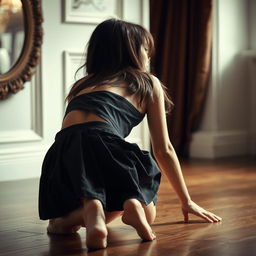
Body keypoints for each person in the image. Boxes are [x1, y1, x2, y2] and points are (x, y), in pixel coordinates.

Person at [38, 18, 222, 250]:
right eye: (146, 49)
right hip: (106, 141)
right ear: (132, 52)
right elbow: (163, 150)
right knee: (149, 209)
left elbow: (80, 140)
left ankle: (91, 206)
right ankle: (127, 204)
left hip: (62, 153)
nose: (149, 55)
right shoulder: (146, 83)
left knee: (58, 223)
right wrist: (187, 201)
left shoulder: (82, 84)